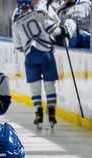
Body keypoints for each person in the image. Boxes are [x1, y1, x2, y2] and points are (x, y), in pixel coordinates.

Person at [12, 0, 66, 130]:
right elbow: (54, 30)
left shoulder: (16, 24)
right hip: (46, 53)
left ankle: (38, 114)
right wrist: (64, 30)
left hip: (30, 56)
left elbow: (18, 47)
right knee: (49, 86)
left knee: (34, 87)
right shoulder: (39, 14)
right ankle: (52, 113)